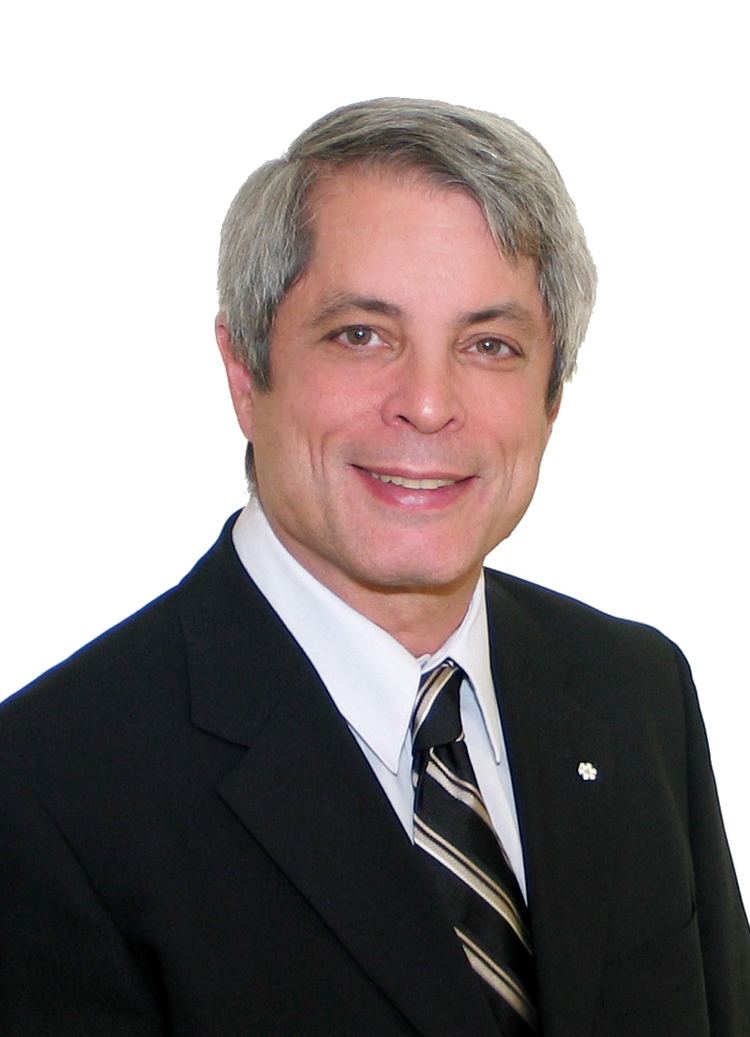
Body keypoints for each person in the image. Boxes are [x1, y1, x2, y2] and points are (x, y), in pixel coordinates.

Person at [1, 97, 748, 1037]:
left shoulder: (636, 692)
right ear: (244, 370)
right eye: (362, 334)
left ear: (552, 395)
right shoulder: (46, 792)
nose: (428, 404)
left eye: (490, 345)